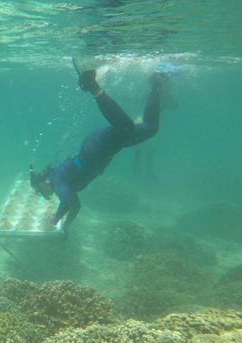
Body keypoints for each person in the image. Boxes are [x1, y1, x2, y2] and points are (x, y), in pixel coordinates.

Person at [30, 60, 171, 233]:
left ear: (42, 182)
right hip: (99, 147)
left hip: (97, 149)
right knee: (150, 128)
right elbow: (71, 203)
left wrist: (59, 219)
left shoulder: (56, 181)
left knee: (126, 126)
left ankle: (92, 86)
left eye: (40, 191)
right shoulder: (59, 181)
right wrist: (62, 220)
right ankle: (157, 82)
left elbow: (70, 202)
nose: (44, 195)